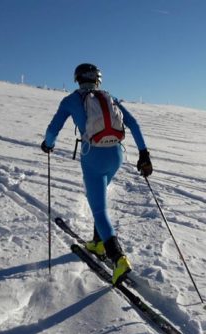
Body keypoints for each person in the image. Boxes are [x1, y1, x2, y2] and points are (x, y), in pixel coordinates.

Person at [41, 63, 152, 285]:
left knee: (99, 209)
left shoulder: (71, 100)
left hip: (93, 156)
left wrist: (47, 144)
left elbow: (53, 129)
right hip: (116, 156)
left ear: (77, 79)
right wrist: (144, 154)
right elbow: (134, 124)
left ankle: (118, 258)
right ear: (97, 80)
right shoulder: (109, 97)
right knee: (98, 197)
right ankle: (97, 242)